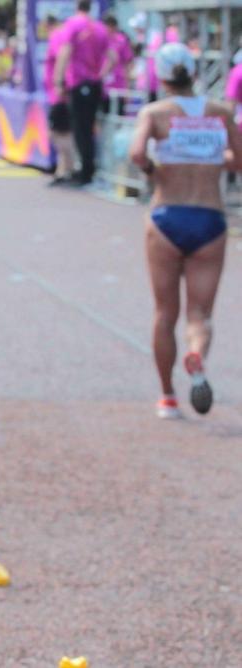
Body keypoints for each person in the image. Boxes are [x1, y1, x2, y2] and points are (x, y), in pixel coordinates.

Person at [128, 43, 242, 419]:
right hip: (209, 217)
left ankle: (167, 397)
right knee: (200, 314)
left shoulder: (157, 111)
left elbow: (137, 153)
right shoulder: (220, 112)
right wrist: (210, 161)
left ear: (161, 77)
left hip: (166, 216)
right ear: (194, 73)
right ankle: (196, 354)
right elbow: (238, 159)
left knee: (165, 312)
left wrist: (153, 171)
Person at [54, 0, 117, 186]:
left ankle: (86, 172)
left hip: (79, 84)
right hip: (94, 85)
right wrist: (100, 75)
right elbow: (113, 57)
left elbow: (65, 52)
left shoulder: (73, 24)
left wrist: (58, 80)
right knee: (89, 128)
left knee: (81, 130)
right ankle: (87, 169)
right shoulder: (99, 27)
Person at [43, 15, 75, 185]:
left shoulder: (58, 36)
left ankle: (67, 168)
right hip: (60, 92)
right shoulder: (62, 35)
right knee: (62, 132)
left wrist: (59, 83)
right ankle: (63, 169)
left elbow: (63, 58)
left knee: (59, 133)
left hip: (60, 94)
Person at [102, 15, 133, 115]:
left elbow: (127, 64)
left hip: (119, 86)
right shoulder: (100, 39)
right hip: (102, 88)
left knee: (118, 117)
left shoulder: (121, 40)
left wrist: (127, 90)